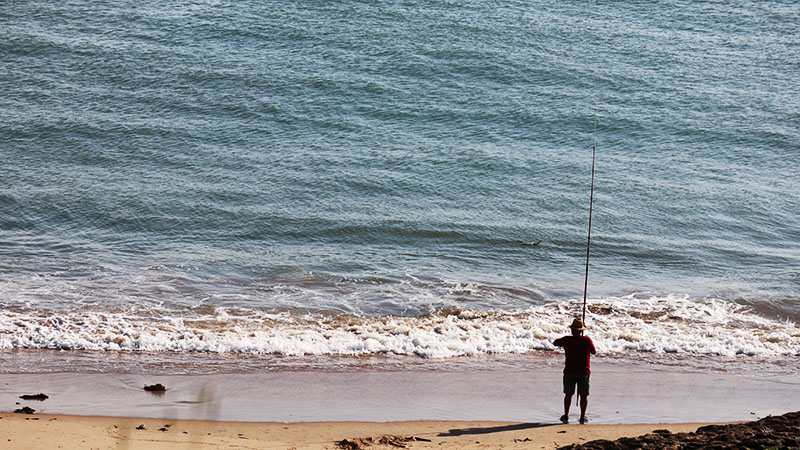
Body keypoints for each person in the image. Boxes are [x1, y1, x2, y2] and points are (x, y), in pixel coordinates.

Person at [553, 318, 596, 424]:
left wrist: (564, 344)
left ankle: (566, 415)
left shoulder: (567, 340)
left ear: (572, 330)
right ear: (581, 330)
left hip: (569, 371)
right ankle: (582, 416)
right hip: (584, 372)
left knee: (568, 394)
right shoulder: (587, 340)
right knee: (584, 395)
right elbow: (594, 352)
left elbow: (555, 343)